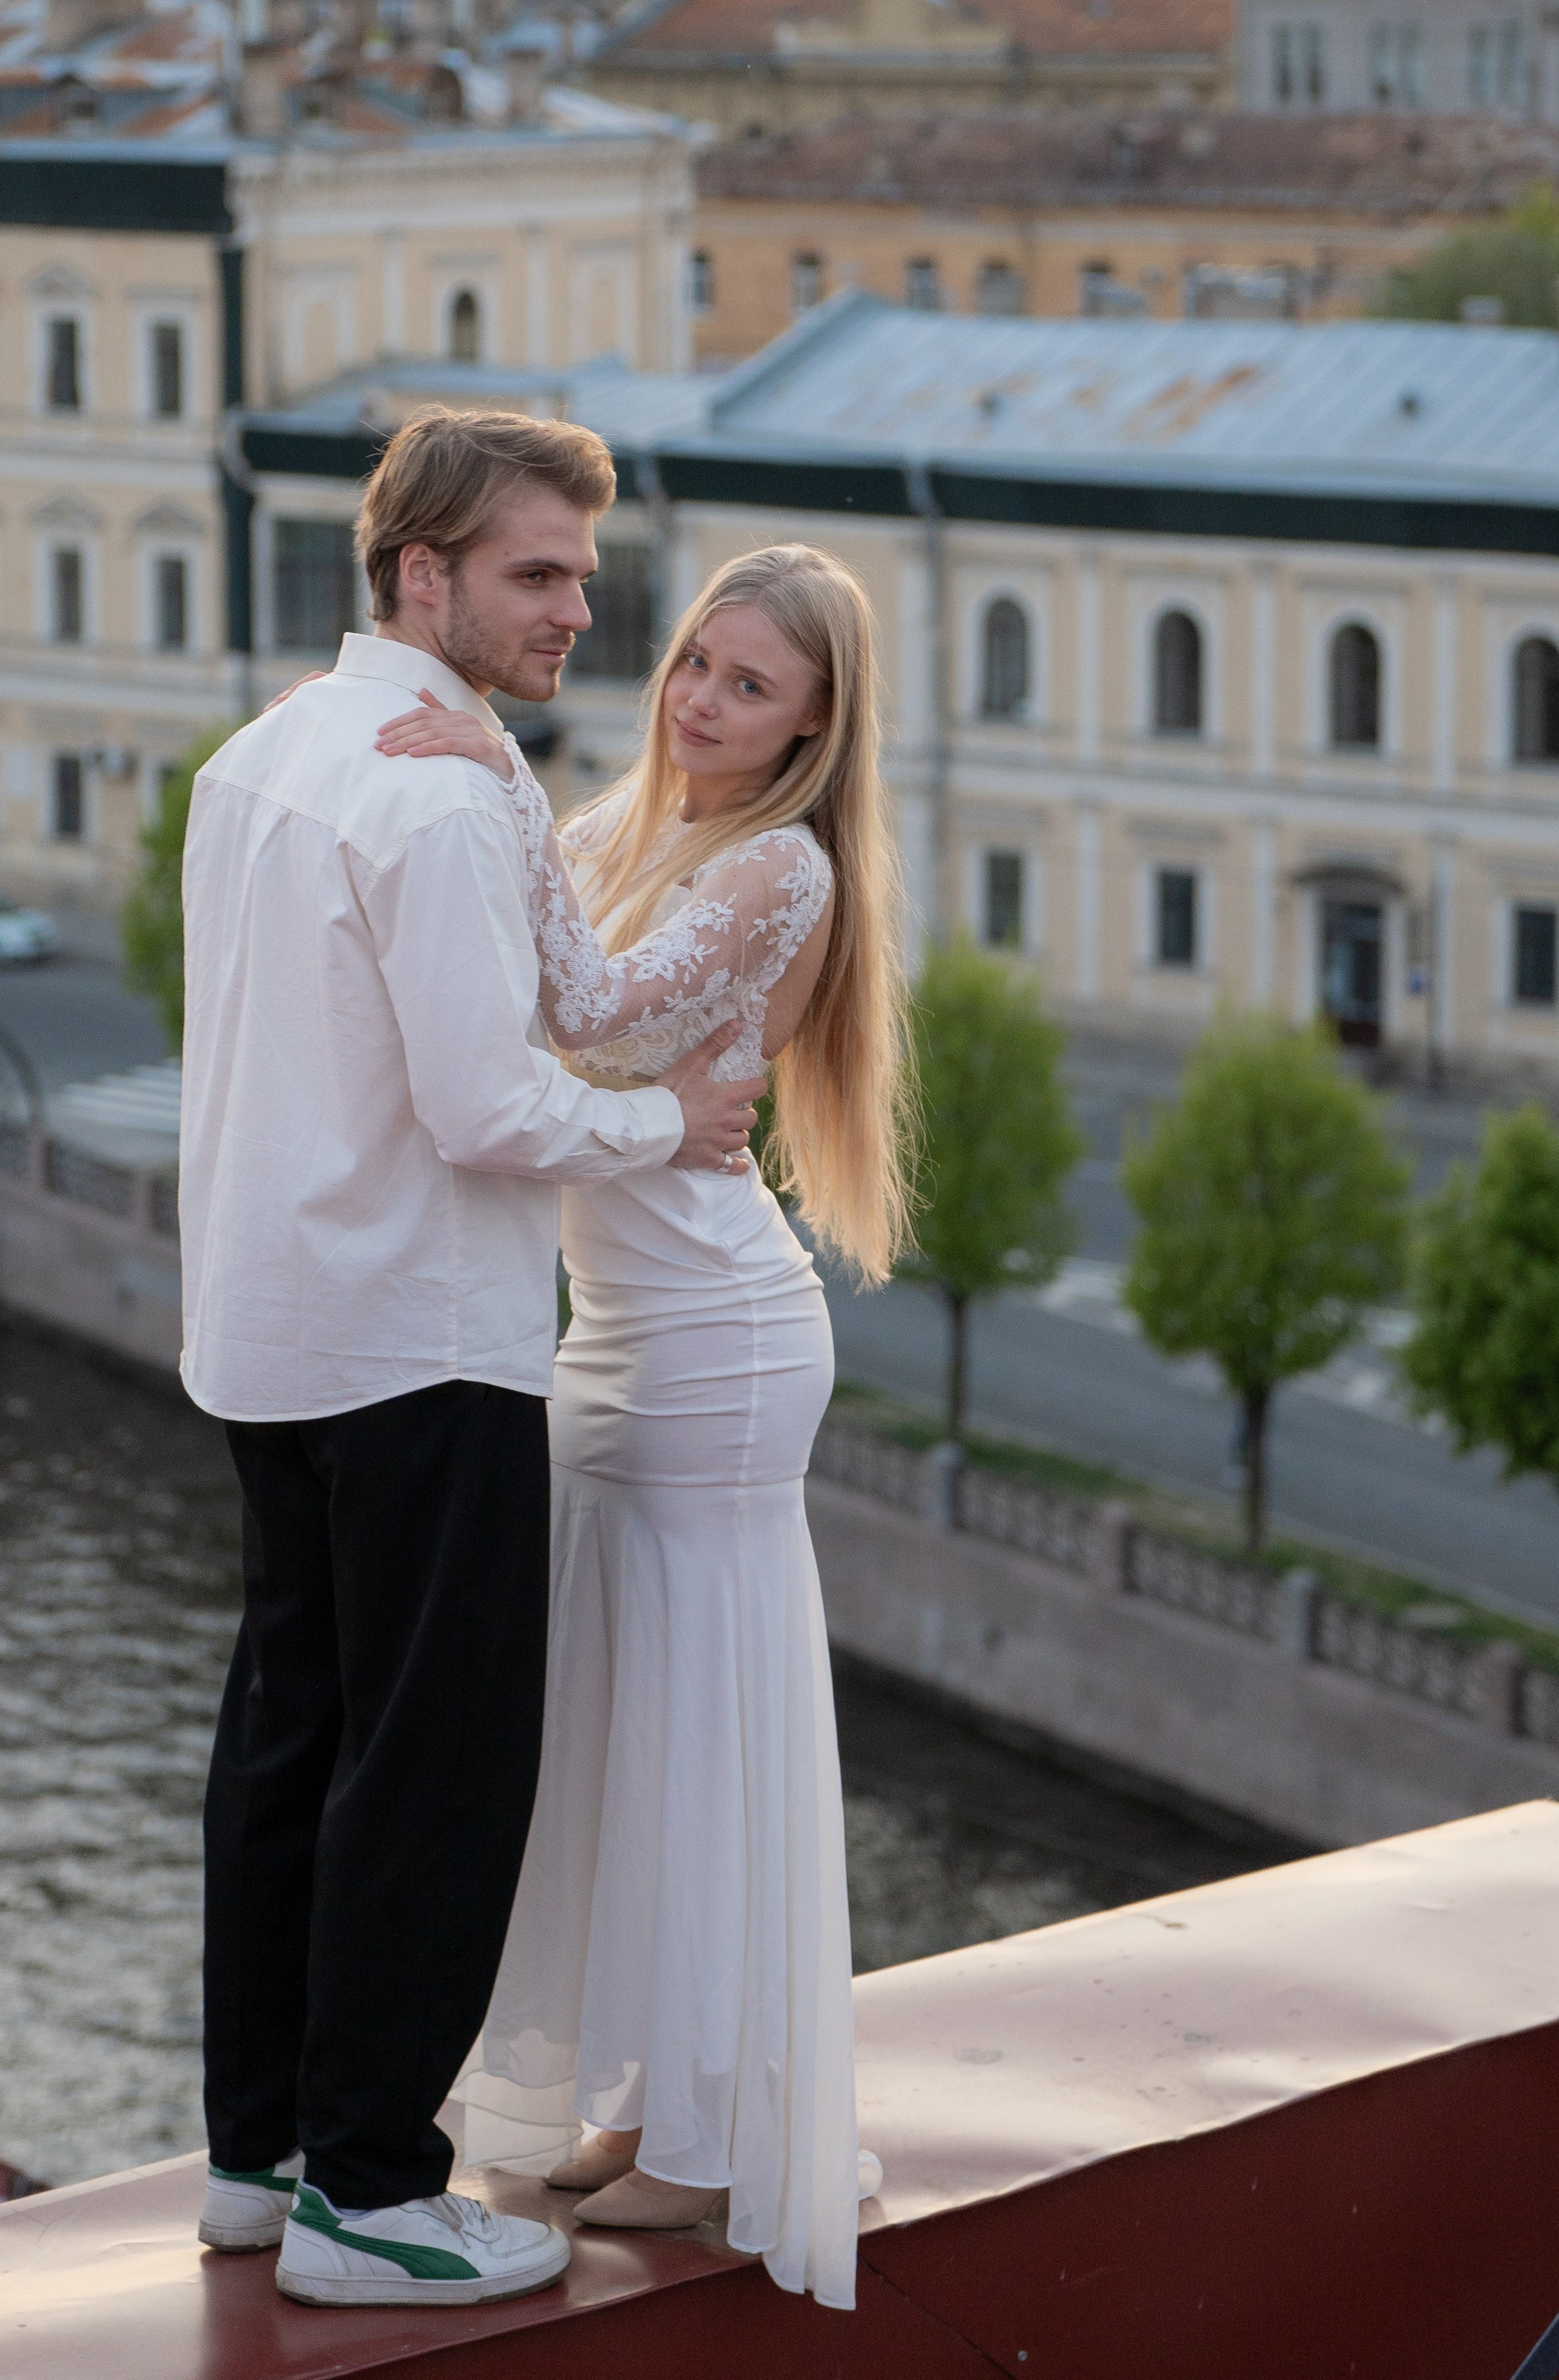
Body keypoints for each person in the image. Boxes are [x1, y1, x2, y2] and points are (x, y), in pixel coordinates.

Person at [178, 410, 760, 2312]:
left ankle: (260, 2163)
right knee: (428, 1775)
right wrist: (667, 1125)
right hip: (422, 1343)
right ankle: (370, 2197)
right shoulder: (432, 798)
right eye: (536, 573)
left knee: (290, 1746)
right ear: (419, 574)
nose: (578, 609)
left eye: (584, 574)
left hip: (269, 1334)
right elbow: (489, 1106)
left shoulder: (263, 755)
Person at [374, 539, 911, 2311]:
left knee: (692, 1731)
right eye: (694, 663)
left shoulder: (776, 866)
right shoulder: (640, 822)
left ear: (815, 723)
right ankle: (652, 2105)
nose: (700, 701)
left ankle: (707, 2139)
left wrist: (497, 778)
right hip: (613, 1330)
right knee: (624, 1729)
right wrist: (502, 797)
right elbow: (536, 969)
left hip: (712, 1341)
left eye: (750, 686)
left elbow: (588, 1015)